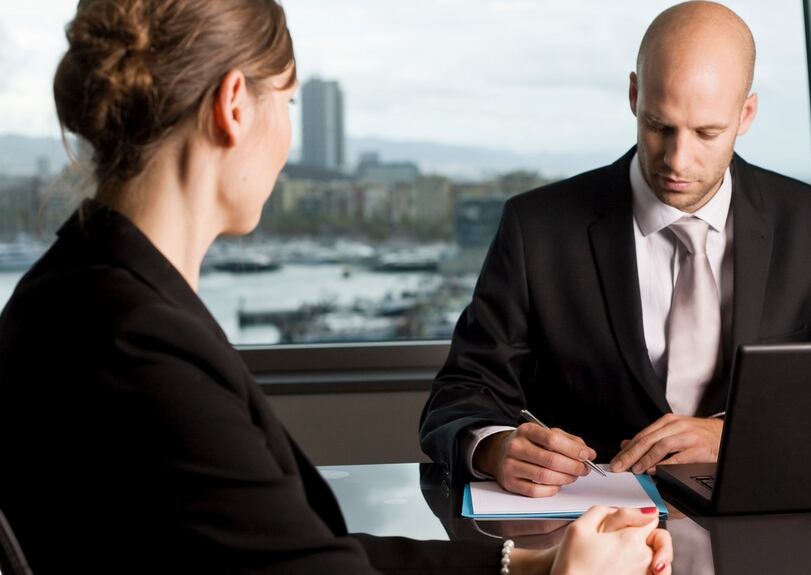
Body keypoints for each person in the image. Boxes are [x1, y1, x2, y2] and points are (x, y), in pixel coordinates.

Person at [0, 1, 672, 573]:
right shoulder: (133, 342)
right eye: (287, 100)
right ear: (234, 105)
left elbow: (294, 549)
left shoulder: (81, 297)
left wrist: (526, 564)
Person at [419, 0, 811, 497]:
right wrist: (494, 447)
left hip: (763, 519)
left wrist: (735, 435)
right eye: (660, 126)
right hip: (590, 524)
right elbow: (461, 393)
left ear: (746, 114)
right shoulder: (537, 228)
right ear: (635, 96)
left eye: (707, 133)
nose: (678, 160)